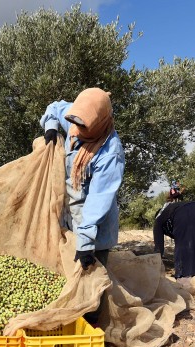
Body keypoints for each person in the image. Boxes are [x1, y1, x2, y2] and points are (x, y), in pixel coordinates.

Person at [40, 87, 125, 325]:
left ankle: (93, 330)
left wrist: (86, 243)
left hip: (94, 228)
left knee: (92, 283)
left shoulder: (110, 153)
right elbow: (54, 108)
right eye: (72, 123)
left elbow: (98, 201)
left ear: (99, 122)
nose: (75, 129)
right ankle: (70, 323)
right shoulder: (76, 119)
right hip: (70, 217)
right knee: (69, 278)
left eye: (82, 126)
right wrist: (51, 127)